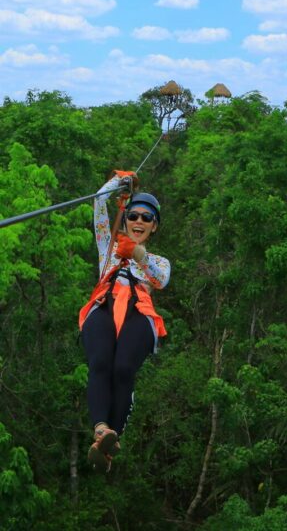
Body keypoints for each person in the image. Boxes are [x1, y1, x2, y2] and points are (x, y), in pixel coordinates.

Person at [79, 170, 170, 473]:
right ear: (127, 217)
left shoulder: (158, 261)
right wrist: (119, 183)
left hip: (138, 313)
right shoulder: (108, 246)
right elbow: (98, 202)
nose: (139, 222)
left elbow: (160, 281)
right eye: (134, 216)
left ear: (154, 226)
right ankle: (101, 429)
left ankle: (111, 436)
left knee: (123, 368)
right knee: (101, 362)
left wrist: (139, 254)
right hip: (104, 307)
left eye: (147, 218)